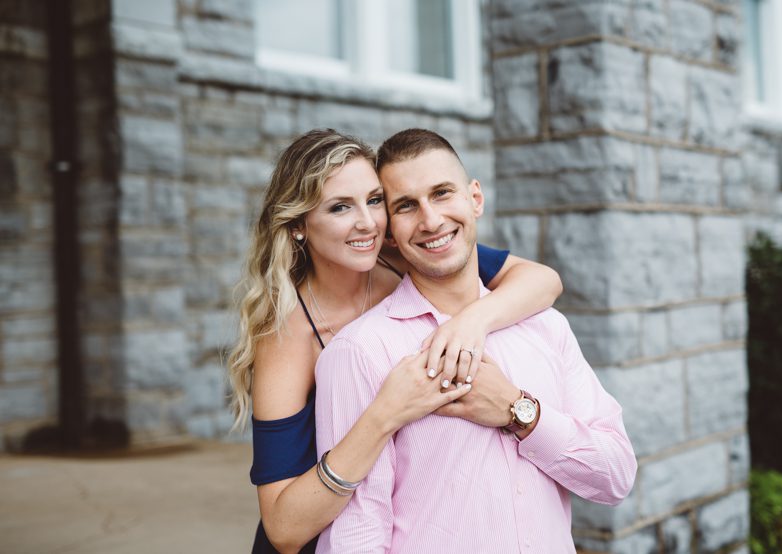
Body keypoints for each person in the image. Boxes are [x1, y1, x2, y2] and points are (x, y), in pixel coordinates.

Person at [227, 129, 564, 553]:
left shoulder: (403, 253)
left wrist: (472, 321)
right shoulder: (286, 336)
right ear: (298, 226)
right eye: (339, 208)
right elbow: (284, 528)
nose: (367, 223)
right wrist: (384, 414)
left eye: (373, 200)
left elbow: (543, 279)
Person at [314, 129, 638, 553]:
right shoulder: (363, 350)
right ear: (389, 233)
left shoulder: (547, 327)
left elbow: (615, 477)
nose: (431, 220)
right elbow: (356, 535)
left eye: (442, 193)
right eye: (407, 206)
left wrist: (520, 413)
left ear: (475, 199)